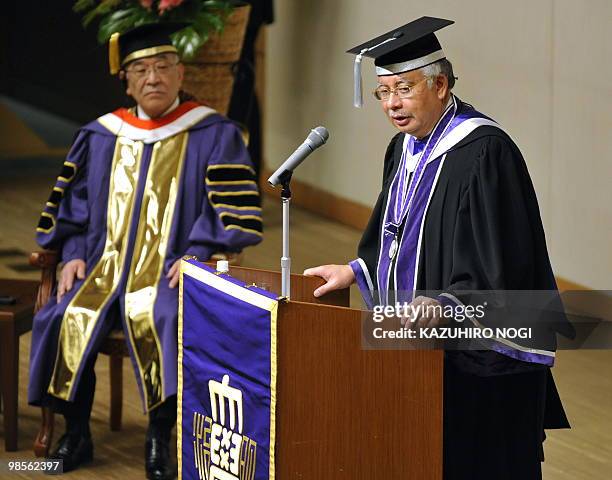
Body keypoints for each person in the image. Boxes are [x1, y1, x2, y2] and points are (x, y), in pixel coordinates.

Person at [304, 16, 572, 480]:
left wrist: (448, 303)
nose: (392, 104)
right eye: (383, 92)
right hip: (418, 348)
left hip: (479, 361)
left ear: (441, 84)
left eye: (404, 89)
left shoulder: (485, 152)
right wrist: (356, 270)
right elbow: (397, 236)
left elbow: (505, 259)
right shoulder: (403, 149)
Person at [28, 23, 263, 479]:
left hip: (171, 272)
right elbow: (72, 203)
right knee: (63, 316)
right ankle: (76, 433)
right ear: (127, 80)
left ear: (180, 74)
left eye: (163, 67)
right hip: (101, 265)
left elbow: (229, 213)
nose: (152, 78)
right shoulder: (101, 135)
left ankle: (160, 437)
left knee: (162, 318)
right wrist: (73, 250)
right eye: (141, 70)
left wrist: (197, 252)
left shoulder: (214, 133)